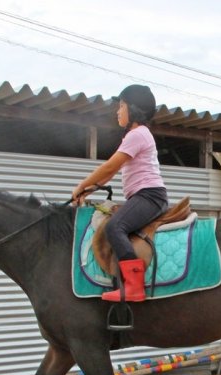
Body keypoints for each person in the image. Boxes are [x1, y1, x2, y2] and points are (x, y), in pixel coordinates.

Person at [71, 84, 168, 302]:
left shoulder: (138, 135)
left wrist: (81, 184)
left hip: (149, 196)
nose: (118, 111)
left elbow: (108, 167)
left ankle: (134, 286)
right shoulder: (136, 136)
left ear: (134, 109)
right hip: (146, 196)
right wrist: (87, 190)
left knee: (116, 226)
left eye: (121, 105)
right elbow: (109, 174)